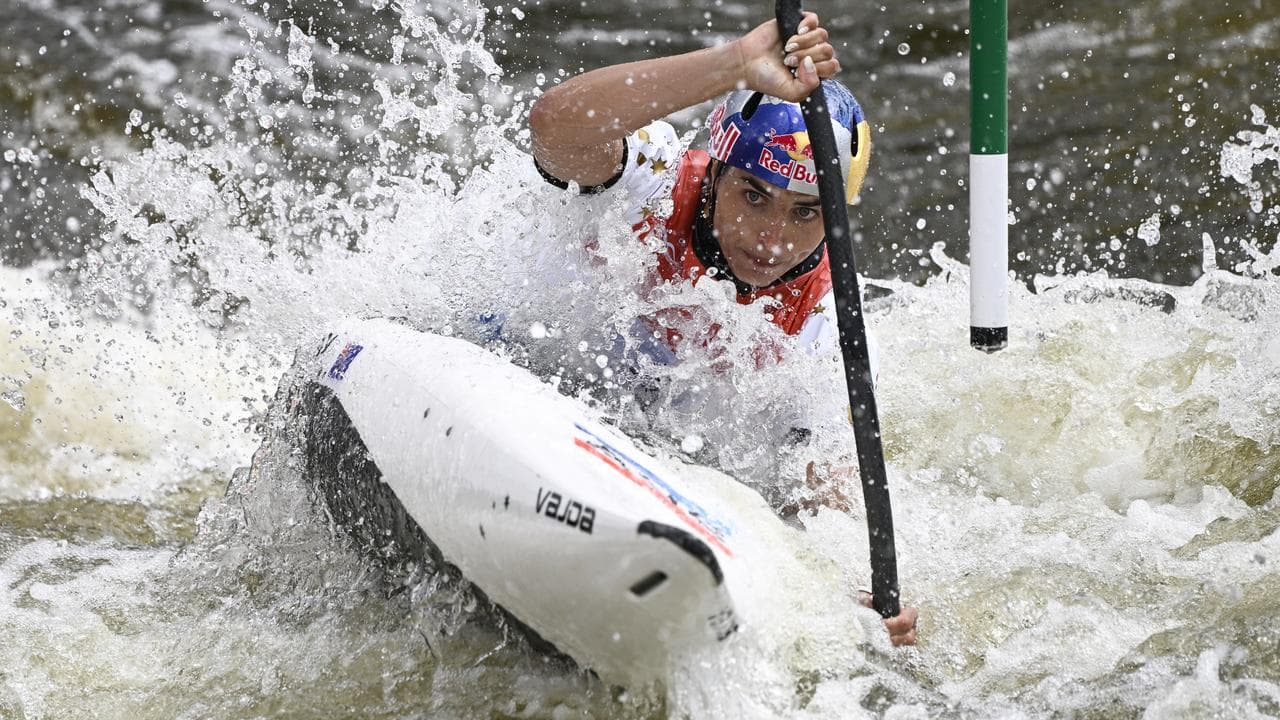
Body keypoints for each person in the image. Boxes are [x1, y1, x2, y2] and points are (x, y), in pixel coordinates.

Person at [529, 12, 917, 647]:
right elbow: (552, 125)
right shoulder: (650, 178)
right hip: (515, 359)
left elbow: (823, 488)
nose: (771, 240)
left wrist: (857, 595)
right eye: (754, 195)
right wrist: (734, 64)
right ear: (714, 173)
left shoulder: (825, 320)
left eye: (807, 213)